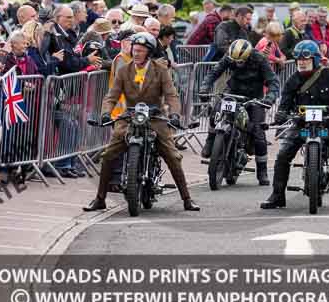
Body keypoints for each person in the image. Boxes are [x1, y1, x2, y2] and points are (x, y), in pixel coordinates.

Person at [83, 33, 200, 212]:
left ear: (149, 52)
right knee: (107, 156)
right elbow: (111, 95)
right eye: (134, 50)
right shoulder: (124, 70)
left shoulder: (160, 70)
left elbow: (171, 95)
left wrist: (175, 114)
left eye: (141, 51)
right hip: (129, 117)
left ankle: (187, 199)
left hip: (155, 117)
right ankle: (100, 198)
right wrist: (106, 113)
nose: (136, 53)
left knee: (173, 156)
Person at [261, 40, 329, 210]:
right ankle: (277, 195)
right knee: (283, 155)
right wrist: (281, 113)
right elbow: (285, 101)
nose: (301, 62)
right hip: (302, 123)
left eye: (306, 59)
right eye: (299, 60)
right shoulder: (293, 79)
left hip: (328, 122)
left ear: (316, 59)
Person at [200, 39, 280, 185]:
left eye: (241, 61)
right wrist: (205, 87)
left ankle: (262, 171)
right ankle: (210, 141)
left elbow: (273, 81)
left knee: (258, 132)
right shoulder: (230, 56)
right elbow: (214, 72)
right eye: (235, 61)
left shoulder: (260, 59)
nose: (237, 63)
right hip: (232, 93)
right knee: (215, 112)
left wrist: (269, 98)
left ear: (248, 55)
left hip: (254, 98)